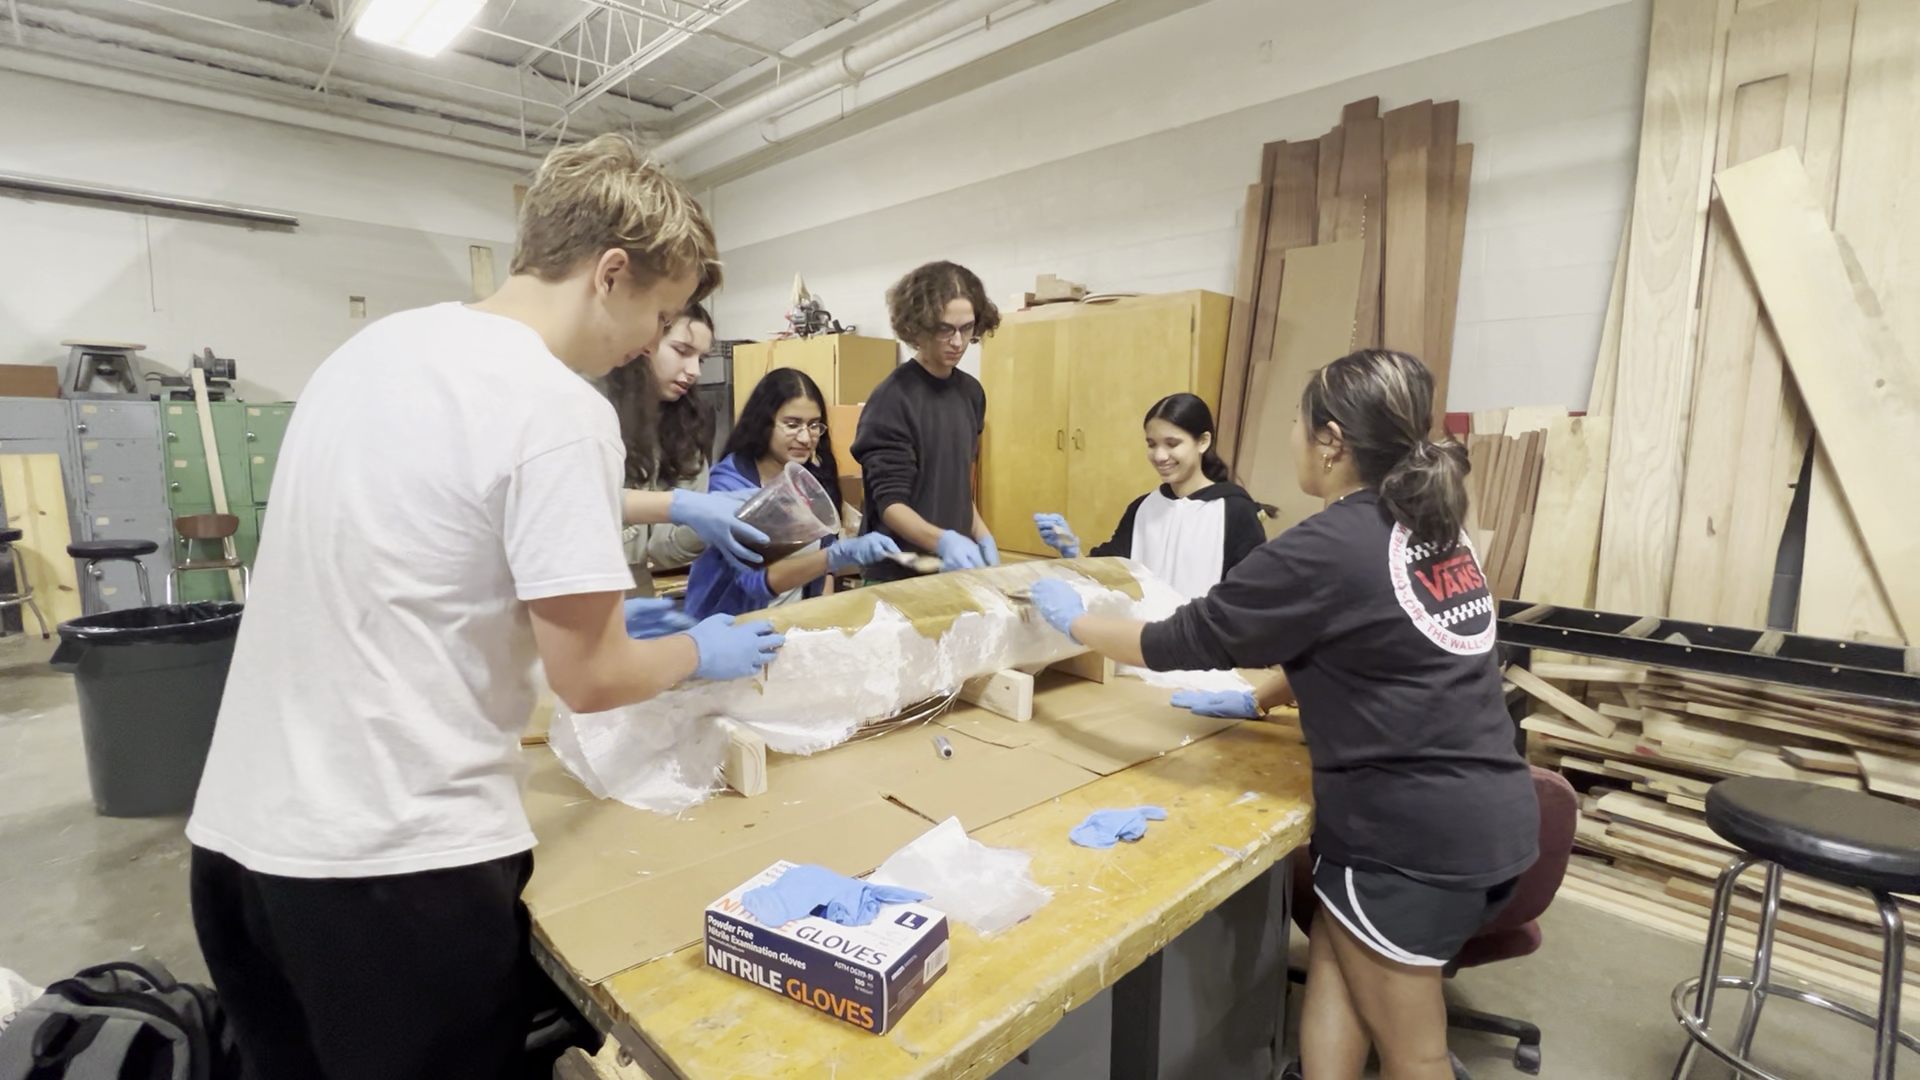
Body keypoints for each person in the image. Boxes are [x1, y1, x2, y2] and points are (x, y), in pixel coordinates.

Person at [183, 134, 786, 1080]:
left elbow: (444, 537)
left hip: (239, 850)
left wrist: (646, 557)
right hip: (394, 874)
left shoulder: (374, 348)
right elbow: (591, 680)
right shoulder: (556, 406)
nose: (650, 341)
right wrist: (701, 648)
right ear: (611, 273)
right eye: (661, 311)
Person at [1026, 350, 1539, 1080]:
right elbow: (1377, 649)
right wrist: (1259, 695)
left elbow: (1179, 637)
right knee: (1336, 969)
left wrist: (1078, 622)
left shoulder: (1325, 545)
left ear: (1330, 440)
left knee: (1415, 1056)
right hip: (1484, 811)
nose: (1291, 439)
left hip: (1408, 842)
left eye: (1297, 424)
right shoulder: (1433, 527)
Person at [685, 368, 899, 616]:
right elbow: (754, 582)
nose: (806, 438)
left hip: (789, 626)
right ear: (763, 423)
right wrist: (834, 557)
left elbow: (823, 565)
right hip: (730, 630)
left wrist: (822, 618)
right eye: (792, 424)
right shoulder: (730, 485)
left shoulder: (810, 480)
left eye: (814, 426)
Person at [1032, 392, 1266, 599]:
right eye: (1152, 444)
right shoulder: (1143, 508)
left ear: (1203, 442)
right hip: (1140, 641)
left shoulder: (1234, 511)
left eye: (1172, 444)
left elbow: (1250, 598)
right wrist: (1072, 550)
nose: (1160, 455)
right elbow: (1110, 576)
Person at [852, 261, 1001, 580]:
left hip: (952, 571)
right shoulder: (893, 400)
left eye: (967, 328)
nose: (958, 342)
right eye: (945, 329)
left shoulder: (971, 393)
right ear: (918, 326)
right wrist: (945, 541)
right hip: (895, 575)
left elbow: (956, 488)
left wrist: (981, 533)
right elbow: (890, 506)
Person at [603, 302, 716, 596]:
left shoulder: (684, 432)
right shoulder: (596, 413)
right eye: (682, 351)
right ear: (645, 342)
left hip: (635, 587)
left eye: (701, 360)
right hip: (579, 587)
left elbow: (660, 549)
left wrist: (706, 527)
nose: (693, 372)